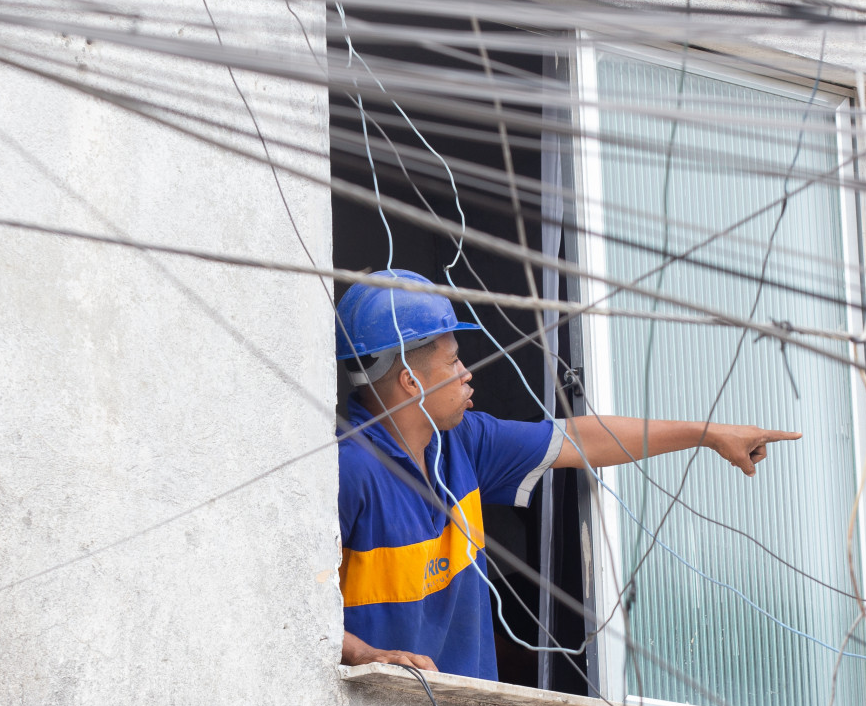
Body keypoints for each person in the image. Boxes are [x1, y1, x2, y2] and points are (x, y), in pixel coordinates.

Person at [336, 271, 799, 679]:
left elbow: (582, 438)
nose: (466, 373)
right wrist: (363, 655)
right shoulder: (347, 470)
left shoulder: (462, 441)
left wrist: (709, 434)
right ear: (411, 380)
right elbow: (296, 598)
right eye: (453, 361)